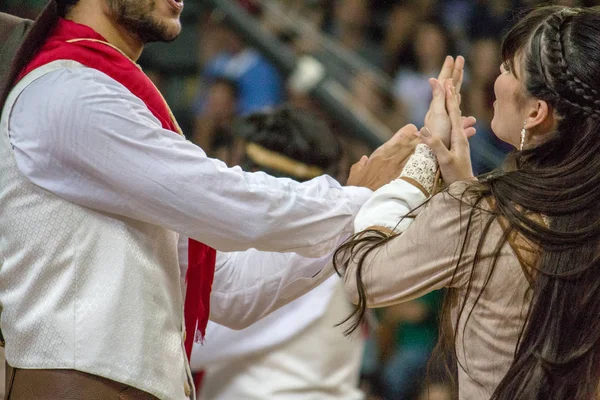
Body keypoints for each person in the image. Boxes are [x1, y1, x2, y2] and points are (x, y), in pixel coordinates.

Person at [0, 0, 427, 399]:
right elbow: (223, 199)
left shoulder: (103, 92)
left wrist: (357, 213)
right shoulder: (70, 89)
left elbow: (231, 289)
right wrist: (358, 199)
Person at [335, 5, 600, 400]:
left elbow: (363, 275)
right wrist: (466, 185)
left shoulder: (481, 214)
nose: (495, 77)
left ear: (536, 112)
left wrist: (422, 162)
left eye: (508, 68)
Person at [192, 106, 363, 400]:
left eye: (234, 167)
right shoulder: (335, 241)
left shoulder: (291, 254)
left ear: (255, 179)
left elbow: (189, 347)